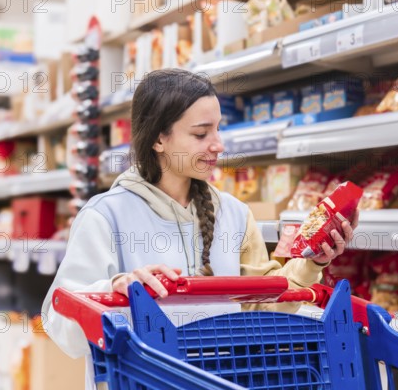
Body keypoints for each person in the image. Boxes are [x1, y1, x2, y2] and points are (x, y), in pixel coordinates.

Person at [41, 68, 358, 389]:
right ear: (159, 139)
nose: (218, 145)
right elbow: (60, 326)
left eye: (218, 129)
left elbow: (262, 303)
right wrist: (115, 289)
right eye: (200, 134)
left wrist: (313, 261)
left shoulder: (234, 214)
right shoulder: (105, 216)